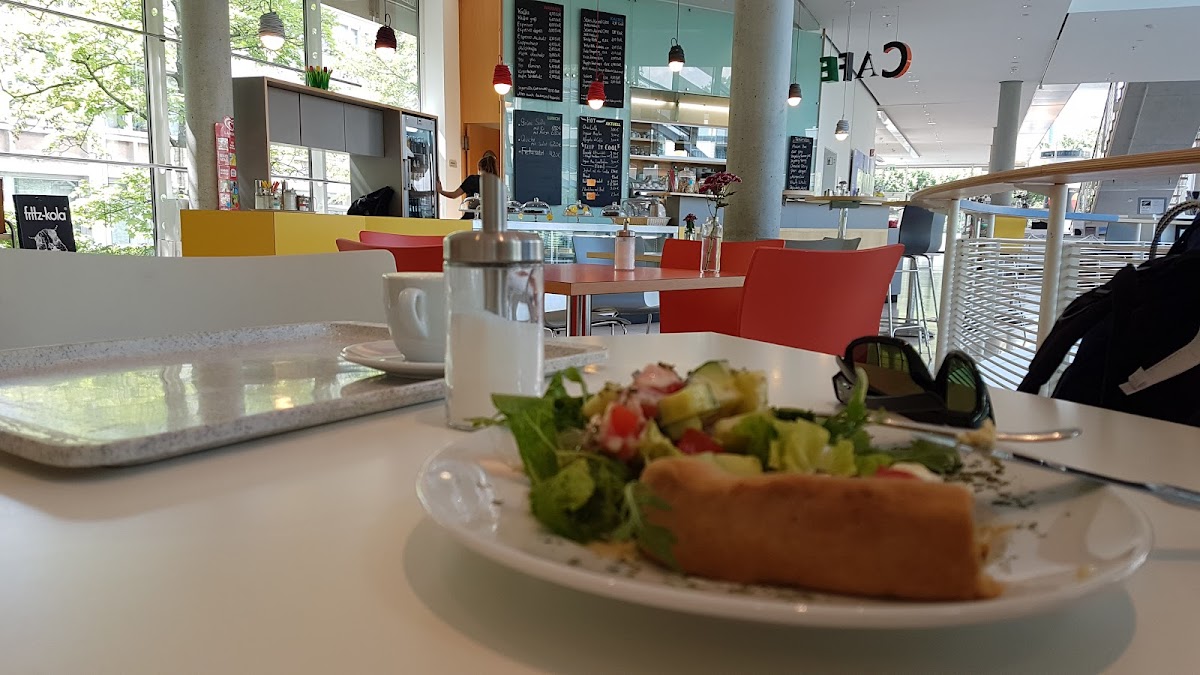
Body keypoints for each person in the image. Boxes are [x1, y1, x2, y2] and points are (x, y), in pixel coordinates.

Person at [437, 151, 497, 219]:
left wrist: (441, 191)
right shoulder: (496, 184)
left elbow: (454, 195)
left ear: (479, 168)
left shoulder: (472, 180)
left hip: (472, 216)